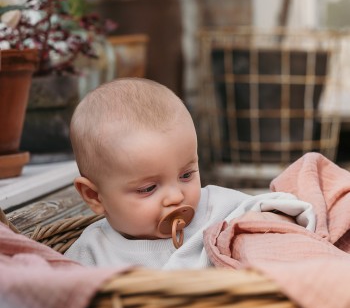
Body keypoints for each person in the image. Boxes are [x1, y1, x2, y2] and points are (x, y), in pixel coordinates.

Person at [65, 78, 315, 269]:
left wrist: (271, 220)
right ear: (94, 196)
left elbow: (276, 207)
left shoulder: (217, 209)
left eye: (186, 175)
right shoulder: (91, 253)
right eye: (148, 188)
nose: (176, 197)